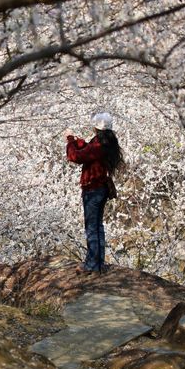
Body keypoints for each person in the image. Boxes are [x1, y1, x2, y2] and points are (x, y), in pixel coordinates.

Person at [65, 112, 124, 274]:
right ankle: (98, 263)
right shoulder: (106, 142)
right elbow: (88, 150)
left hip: (93, 189)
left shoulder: (99, 145)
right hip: (101, 188)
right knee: (97, 226)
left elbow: (75, 156)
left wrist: (70, 140)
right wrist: (79, 142)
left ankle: (92, 265)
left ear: (96, 127)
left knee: (92, 227)